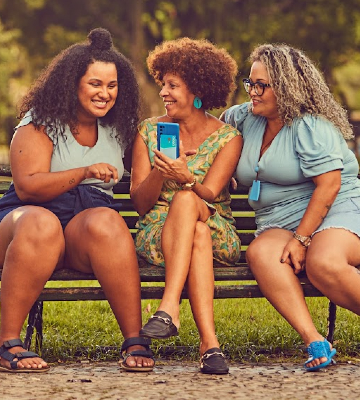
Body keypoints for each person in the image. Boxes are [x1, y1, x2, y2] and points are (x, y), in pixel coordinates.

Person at [0, 28, 155, 373]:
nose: (105, 94)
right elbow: (27, 188)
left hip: (80, 231)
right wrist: (83, 171)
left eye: (112, 86)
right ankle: (6, 341)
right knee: (42, 223)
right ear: (72, 83)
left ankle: (133, 338)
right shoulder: (40, 122)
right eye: (95, 84)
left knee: (108, 221)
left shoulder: (120, 129)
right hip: (26, 226)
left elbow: (143, 181)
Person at [222, 43, 360, 371]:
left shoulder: (311, 127)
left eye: (261, 85)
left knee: (322, 262)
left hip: (335, 209)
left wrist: (301, 239)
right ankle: (316, 342)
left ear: (286, 88)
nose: (252, 92)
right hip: (277, 219)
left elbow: (329, 185)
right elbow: (209, 136)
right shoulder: (244, 118)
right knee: (260, 253)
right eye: (250, 83)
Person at [130, 38, 242, 374]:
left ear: (197, 90)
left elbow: (210, 192)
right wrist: (160, 172)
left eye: (172, 85)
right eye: (162, 83)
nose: (163, 92)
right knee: (196, 234)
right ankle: (210, 345)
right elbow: (138, 203)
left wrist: (185, 178)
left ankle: (168, 307)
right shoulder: (148, 132)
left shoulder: (228, 137)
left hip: (215, 222)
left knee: (187, 199)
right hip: (161, 233)